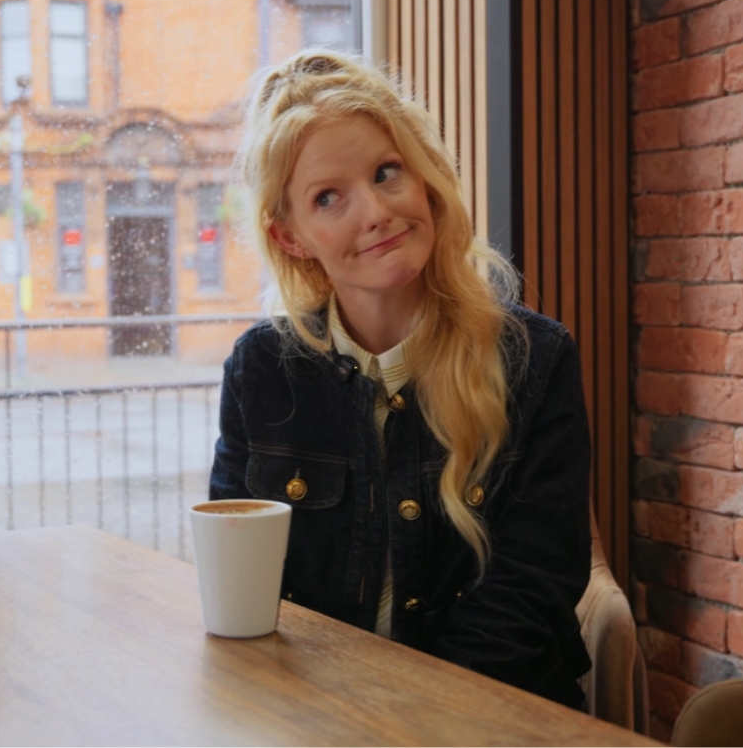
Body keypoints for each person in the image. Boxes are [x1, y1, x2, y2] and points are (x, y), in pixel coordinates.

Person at [210, 49, 592, 709]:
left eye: (387, 173)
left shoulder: (537, 357)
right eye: (328, 197)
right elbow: (240, 584)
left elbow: (529, 596)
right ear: (292, 235)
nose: (376, 212)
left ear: (424, 179)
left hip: (489, 718)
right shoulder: (259, 370)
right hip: (316, 718)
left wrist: (396, 718)